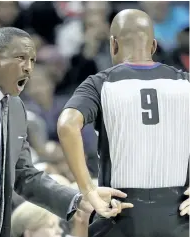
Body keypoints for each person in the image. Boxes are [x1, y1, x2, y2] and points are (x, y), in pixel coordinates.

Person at [0, 27, 130, 237]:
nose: (29, 68)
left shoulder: (16, 108)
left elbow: (24, 175)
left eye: (32, 60)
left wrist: (79, 199)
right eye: (21, 58)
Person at [57, 9, 189, 237]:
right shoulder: (184, 82)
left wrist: (88, 189)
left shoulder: (99, 84)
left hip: (120, 215)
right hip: (179, 216)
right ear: (154, 46)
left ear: (113, 45)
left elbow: (67, 124)